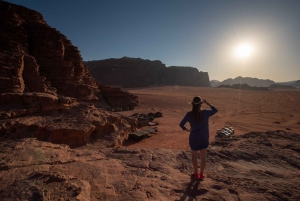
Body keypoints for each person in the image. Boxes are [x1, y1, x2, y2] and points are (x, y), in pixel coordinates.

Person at [179, 96, 218, 180]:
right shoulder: (205, 113)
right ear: (201, 104)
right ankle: (201, 174)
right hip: (204, 137)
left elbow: (181, 124)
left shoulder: (189, 114)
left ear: (192, 104)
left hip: (194, 138)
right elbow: (215, 110)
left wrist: (187, 130)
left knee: (194, 155)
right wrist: (207, 102)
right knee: (203, 156)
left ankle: (196, 173)